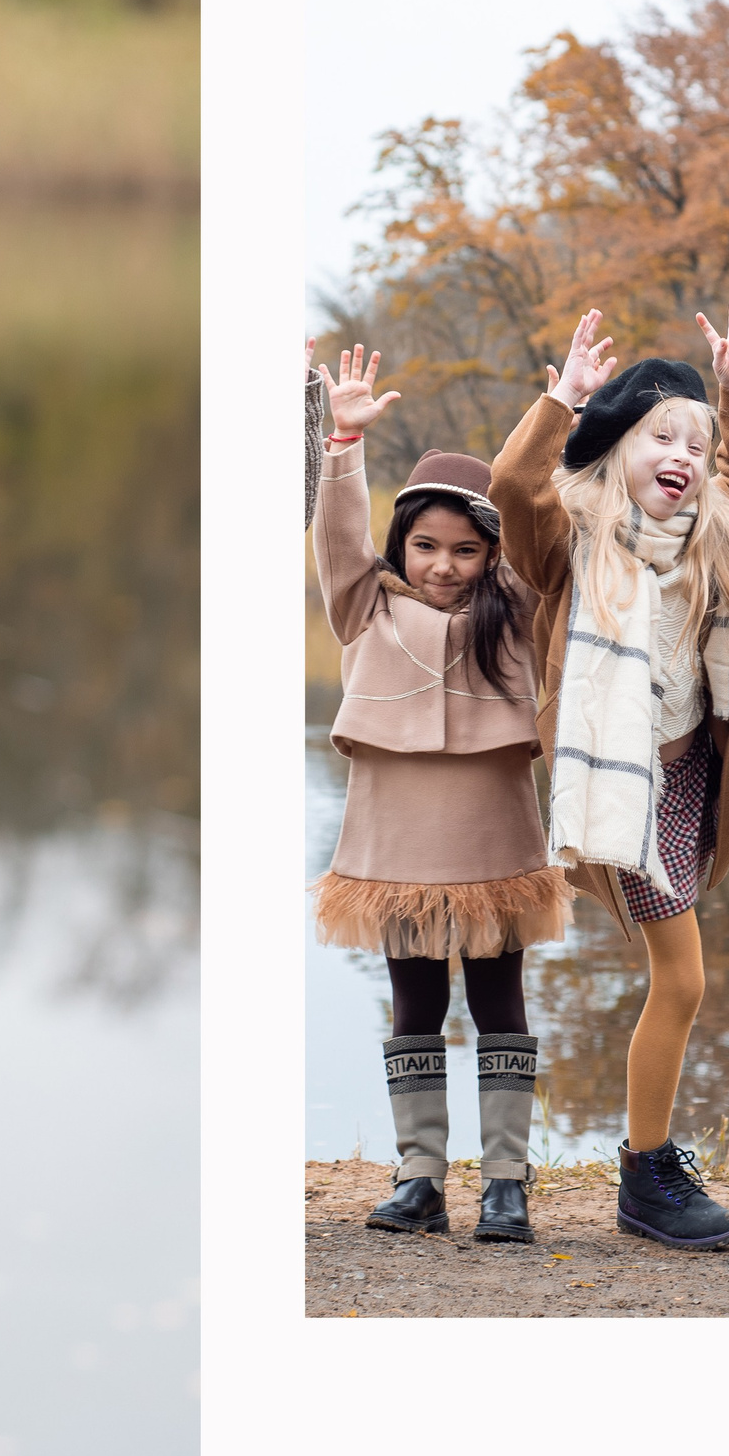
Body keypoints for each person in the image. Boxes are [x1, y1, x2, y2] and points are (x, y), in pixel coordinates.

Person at [489, 309, 729, 1250]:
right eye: (661, 436)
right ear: (616, 449)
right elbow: (511, 483)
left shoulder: (711, 532)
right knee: (683, 979)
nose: (686, 455)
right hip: (620, 792)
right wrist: (562, 401)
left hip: (694, 767)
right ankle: (646, 1173)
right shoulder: (569, 543)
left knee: (717, 845)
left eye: (696, 444)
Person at [310, 344, 569, 1244]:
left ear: (492, 553)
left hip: (496, 842)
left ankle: (506, 1183)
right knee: (414, 1005)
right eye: (425, 546)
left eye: (466, 549)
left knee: (501, 1001)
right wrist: (342, 438)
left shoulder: (521, 615)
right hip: (395, 850)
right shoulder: (365, 607)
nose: (444, 565)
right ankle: (420, 1178)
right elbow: (337, 536)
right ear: (400, 546)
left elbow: (537, 511)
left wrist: (560, 403)